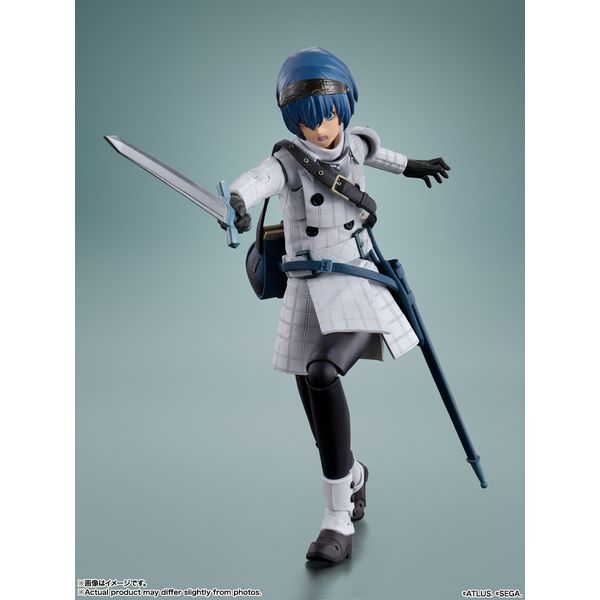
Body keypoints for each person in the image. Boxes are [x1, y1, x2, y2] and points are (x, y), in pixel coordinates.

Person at [229, 47, 450, 564]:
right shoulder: (288, 161)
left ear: (345, 107)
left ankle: (336, 518)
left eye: (330, 115)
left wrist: (414, 166)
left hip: (355, 279)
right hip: (305, 287)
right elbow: (256, 180)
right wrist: (236, 201)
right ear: (292, 121)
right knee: (310, 386)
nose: (323, 129)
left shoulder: (355, 144)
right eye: (309, 120)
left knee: (323, 372)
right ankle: (352, 474)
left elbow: (381, 155)